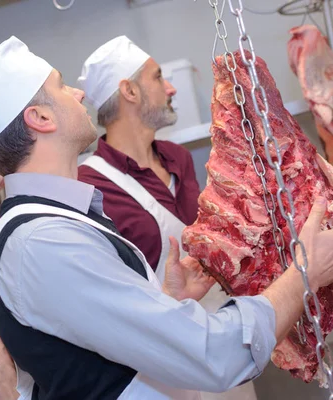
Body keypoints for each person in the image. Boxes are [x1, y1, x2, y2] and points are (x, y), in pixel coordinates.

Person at [0, 36, 333, 400]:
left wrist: (165, 301)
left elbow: (95, 340)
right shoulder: (42, 242)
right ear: (41, 118)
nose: (81, 94)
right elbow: (210, 354)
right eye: (63, 87)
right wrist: (304, 273)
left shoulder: (53, 223)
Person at [76, 36, 256, 399]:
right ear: (128, 91)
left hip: (223, 339)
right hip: (163, 370)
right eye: (159, 78)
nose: (171, 87)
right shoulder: (88, 185)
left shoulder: (178, 158)